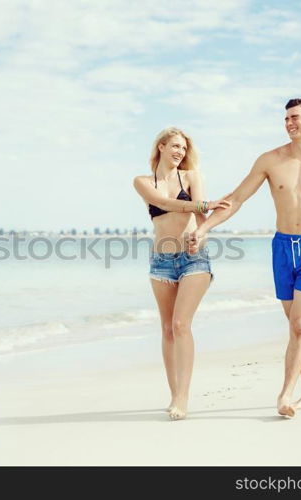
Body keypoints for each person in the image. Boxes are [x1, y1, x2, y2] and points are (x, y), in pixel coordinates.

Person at [189, 99, 301, 418]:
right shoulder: (270, 160)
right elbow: (236, 199)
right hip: (282, 248)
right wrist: (205, 229)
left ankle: (285, 394)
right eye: (285, 118)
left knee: (300, 323)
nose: (289, 123)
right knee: (298, 326)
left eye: (295, 117)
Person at [133, 127, 231, 420]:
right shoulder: (142, 181)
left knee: (180, 325)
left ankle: (183, 398)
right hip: (161, 260)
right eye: (175, 146)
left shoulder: (191, 177)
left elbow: (201, 219)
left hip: (193, 259)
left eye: (184, 148)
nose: (180, 152)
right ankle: (174, 393)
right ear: (160, 146)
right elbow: (163, 203)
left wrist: (200, 234)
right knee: (166, 328)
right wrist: (202, 204)